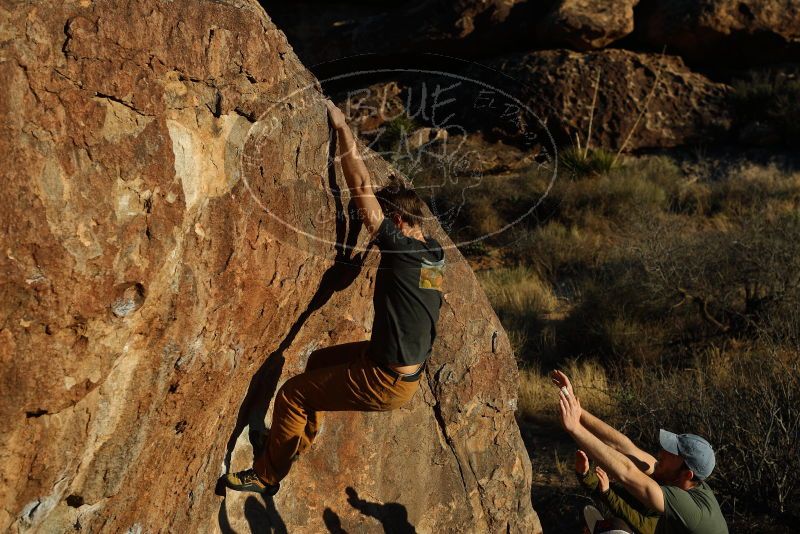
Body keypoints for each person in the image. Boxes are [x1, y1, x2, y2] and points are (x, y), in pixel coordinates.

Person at [220, 100, 445, 495]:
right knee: (319, 363)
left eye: (380, 219)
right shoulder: (433, 253)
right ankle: (289, 445)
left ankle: (267, 475)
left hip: (386, 379)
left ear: (396, 222)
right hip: (393, 364)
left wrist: (342, 130)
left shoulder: (401, 249)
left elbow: (358, 188)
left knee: (292, 393)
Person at [552, 370, 728, 534]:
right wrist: (577, 410)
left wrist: (575, 429)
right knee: (617, 525)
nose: (662, 453)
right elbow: (625, 447)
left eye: (672, 453)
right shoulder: (684, 480)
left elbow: (626, 472)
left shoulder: (686, 507)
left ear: (687, 474)